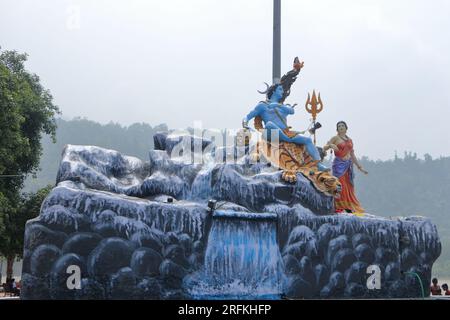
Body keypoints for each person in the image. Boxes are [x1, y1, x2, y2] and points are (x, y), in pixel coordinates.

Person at [242, 57, 329, 172]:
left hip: (286, 133)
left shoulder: (283, 107)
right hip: (271, 133)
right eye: (280, 90)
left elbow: (291, 111)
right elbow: (248, 116)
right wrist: (245, 122)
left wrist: (277, 105)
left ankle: (318, 164)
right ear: (273, 91)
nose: (282, 92)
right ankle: (287, 140)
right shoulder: (262, 105)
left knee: (307, 140)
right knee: (269, 124)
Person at [324, 121, 368, 214]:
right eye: (339, 126)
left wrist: (360, 167)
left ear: (346, 127)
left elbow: (352, 154)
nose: (341, 127)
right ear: (337, 129)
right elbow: (324, 147)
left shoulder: (350, 140)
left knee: (349, 186)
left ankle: (349, 206)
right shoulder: (335, 138)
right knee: (340, 185)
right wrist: (330, 145)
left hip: (348, 165)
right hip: (339, 165)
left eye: (342, 125)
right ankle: (339, 206)